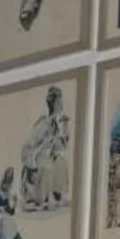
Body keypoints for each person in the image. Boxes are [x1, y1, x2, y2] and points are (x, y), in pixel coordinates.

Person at [18, 85, 71, 213]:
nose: (61, 106)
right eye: (59, 103)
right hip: (35, 161)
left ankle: (57, 194)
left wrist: (64, 135)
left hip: (47, 157)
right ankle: (39, 198)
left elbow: (60, 147)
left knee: (62, 162)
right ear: (53, 104)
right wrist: (39, 154)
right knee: (47, 166)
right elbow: (26, 150)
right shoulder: (42, 125)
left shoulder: (57, 125)